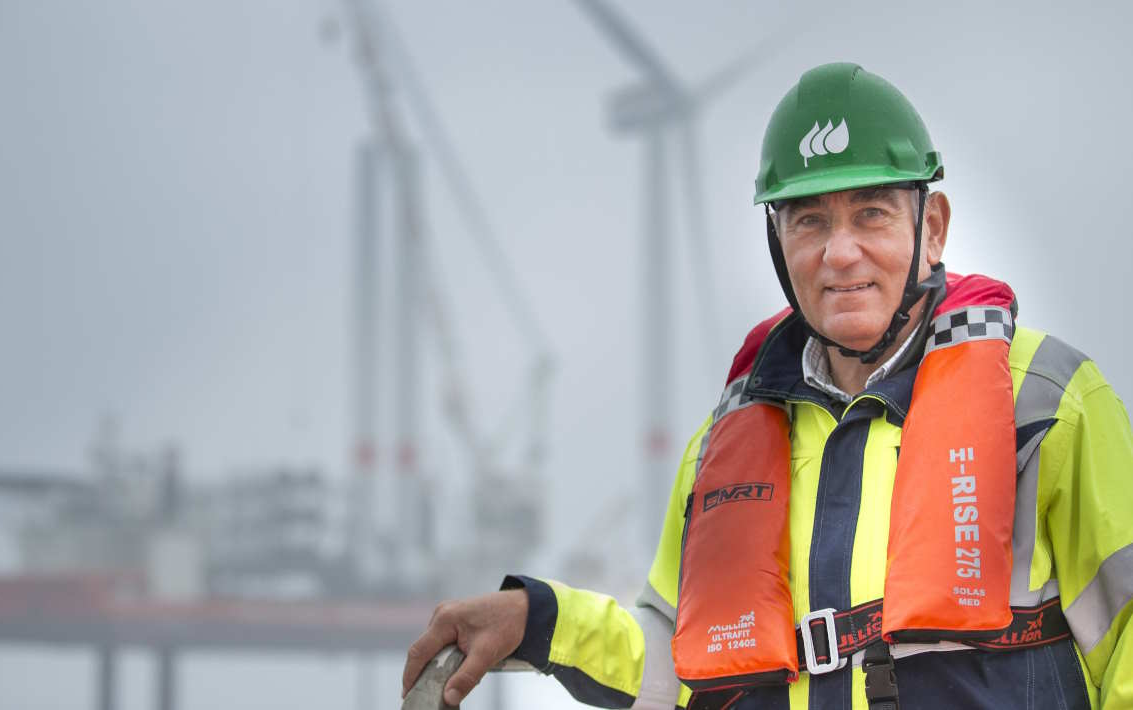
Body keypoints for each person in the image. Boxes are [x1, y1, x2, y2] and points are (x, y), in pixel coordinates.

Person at [400, 62, 1133, 709]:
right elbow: (677, 670)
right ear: (779, 245)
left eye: (871, 214)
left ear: (931, 227)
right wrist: (539, 620)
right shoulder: (724, 445)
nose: (840, 253)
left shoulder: (1044, 402)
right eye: (809, 220)